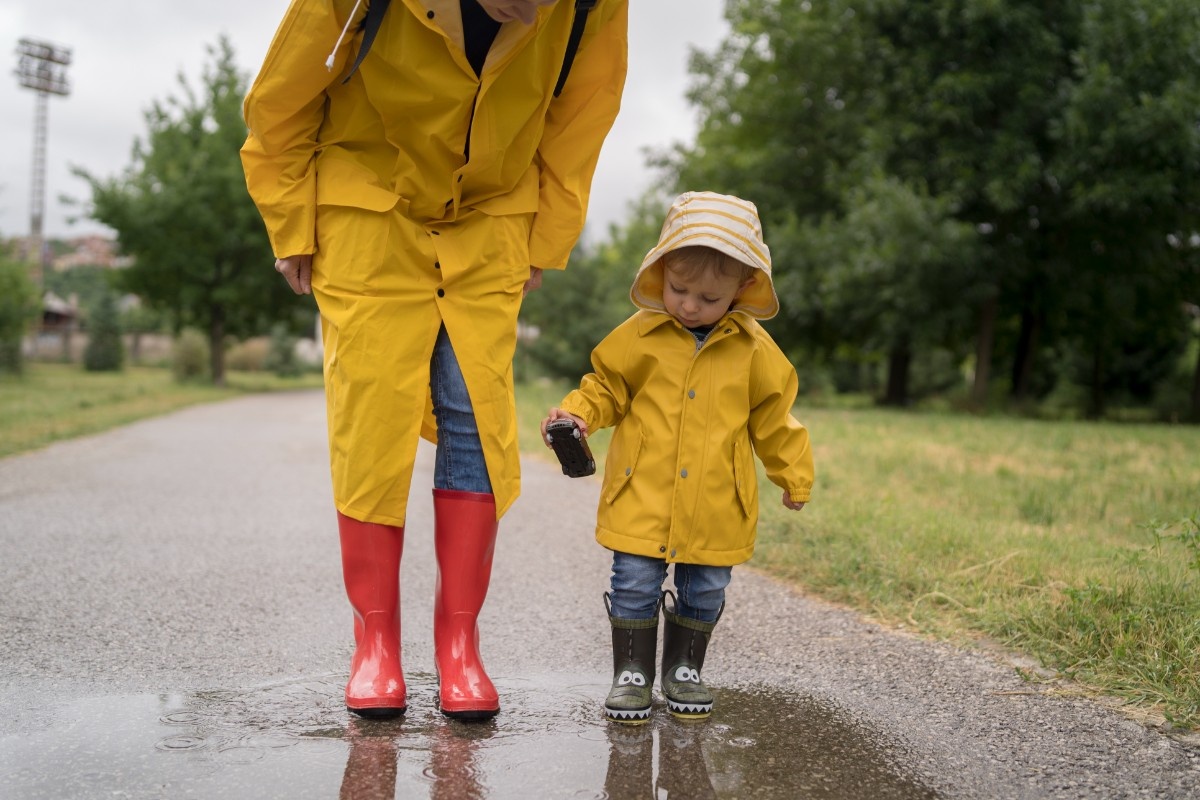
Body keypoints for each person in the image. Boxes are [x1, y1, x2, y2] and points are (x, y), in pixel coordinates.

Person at [240, 0, 629, 721]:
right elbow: (280, 101)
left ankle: (459, 644)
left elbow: (583, 112)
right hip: (367, 209)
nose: (532, 9)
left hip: (493, 217)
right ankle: (375, 643)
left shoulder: (593, 5)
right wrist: (290, 219)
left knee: (476, 415)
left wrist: (545, 234)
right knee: (372, 421)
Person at [540, 191, 814, 723]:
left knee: (706, 584)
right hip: (644, 491)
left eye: (708, 298)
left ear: (744, 288)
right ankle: (632, 673)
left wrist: (793, 476)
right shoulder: (639, 335)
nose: (689, 305)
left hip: (717, 501)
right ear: (659, 271)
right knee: (635, 580)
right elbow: (606, 388)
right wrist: (579, 414)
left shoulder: (757, 352)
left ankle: (684, 669)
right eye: (678, 288)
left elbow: (775, 419)